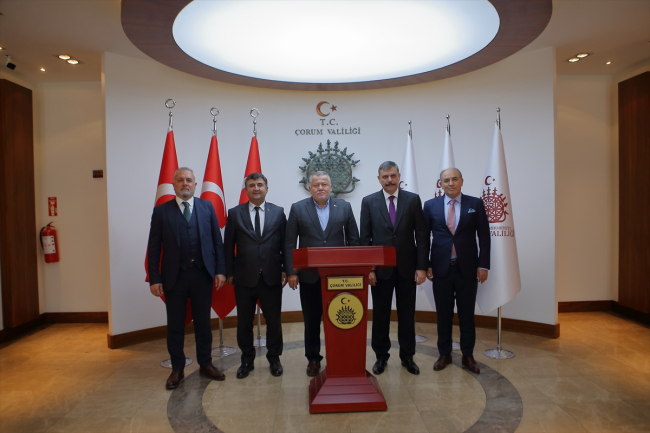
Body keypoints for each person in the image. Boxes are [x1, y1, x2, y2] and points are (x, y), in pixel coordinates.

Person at [148, 167, 228, 389]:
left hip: (202, 275)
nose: (185, 183)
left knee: (203, 323)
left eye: (189, 180)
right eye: (180, 180)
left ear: (195, 184)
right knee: (175, 325)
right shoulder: (161, 212)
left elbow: (217, 242)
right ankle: (177, 368)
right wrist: (154, 278)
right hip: (174, 278)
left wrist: (220, 270)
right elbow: (153, 248)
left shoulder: (207, 207)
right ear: (174, 184)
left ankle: (206, 364)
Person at [285, 171, 360, 376]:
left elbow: (354, 240)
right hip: (309, 277)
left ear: (331, 187)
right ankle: (313, 359)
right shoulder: (298, 208)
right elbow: (290, 243)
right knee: (311, 320)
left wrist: (354, 271)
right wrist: (292, 272)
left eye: (324, 184)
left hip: (339, 277)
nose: (320, 188)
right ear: (310, 188)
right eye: (316, 185)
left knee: (339, 317)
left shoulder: (344, 207)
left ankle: (339, 355)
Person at [359, 161, 429, 375]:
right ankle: (381, 356)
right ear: (379, 179)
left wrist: (422, 267)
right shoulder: (368, 201)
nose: (389, 180)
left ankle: (408, 357)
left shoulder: (413, 200)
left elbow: (422, 236)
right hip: (380, 271)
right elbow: (365, 239)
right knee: (380, 315)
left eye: (392, 175)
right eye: (385, 176)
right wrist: (369, 269)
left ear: (399, 176)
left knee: (407, 315)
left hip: (407, 269)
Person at [423, 168, 490, 374]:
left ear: (461, 181)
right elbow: (424, 238)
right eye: (446, 180)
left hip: (467, 270)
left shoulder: (475, 204)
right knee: (443, 315)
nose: (450, 183)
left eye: (454, 179)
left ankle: (468, 355)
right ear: (440, 184)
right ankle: (444, 354)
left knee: (466, 315)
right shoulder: (430, 206)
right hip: (441, 270)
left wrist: (483, 265)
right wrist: (426, 264)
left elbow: (484, 237)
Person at [223, 173, 287, 379]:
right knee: (244, 322)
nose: (256, 188)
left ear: (267, 189)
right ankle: (246, 361)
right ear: (246, 190)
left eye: (260, 184)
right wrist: (229, 272)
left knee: (274, 322)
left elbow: (285, 244)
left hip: (271, 276)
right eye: (251, 185)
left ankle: (274, 359)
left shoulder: (278, 212)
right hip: (243, 278)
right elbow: (227, 246)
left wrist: (286, 269)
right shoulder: (235, 213)